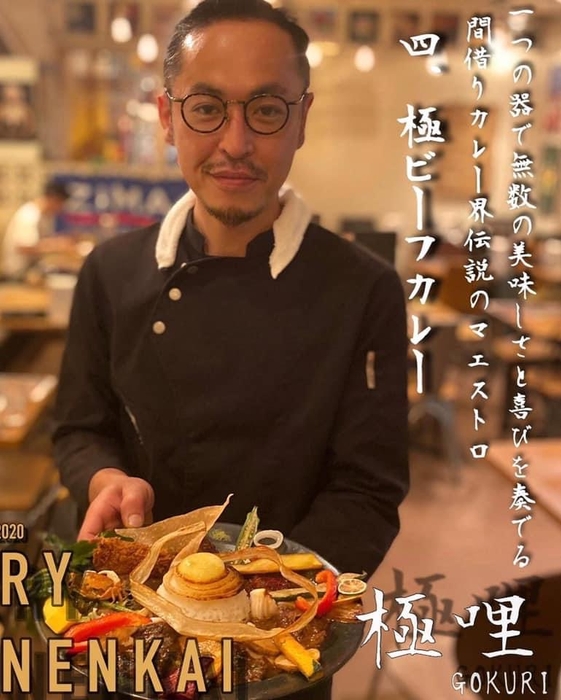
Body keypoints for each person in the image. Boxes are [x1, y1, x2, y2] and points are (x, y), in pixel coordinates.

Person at [54, 0, 408, 580]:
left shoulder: (365, 289)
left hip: (286, 610)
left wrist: (265, 593)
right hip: (130, 600)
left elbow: (367, 491)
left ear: (301, 119)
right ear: (167, 117)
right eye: (206, 109)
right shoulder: (110, 271)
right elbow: (79, 430)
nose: (236, 142)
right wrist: (105, 479)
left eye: (266, 110)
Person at [1, 179, 70, 278]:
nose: (61, 208)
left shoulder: (46, 216)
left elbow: (42, 241)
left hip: (32, 269)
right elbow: (24, 248)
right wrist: (58, 247)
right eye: (61, 204)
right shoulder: (29, 215)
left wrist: (59, 242)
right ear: (53, 199)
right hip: (18, 274)